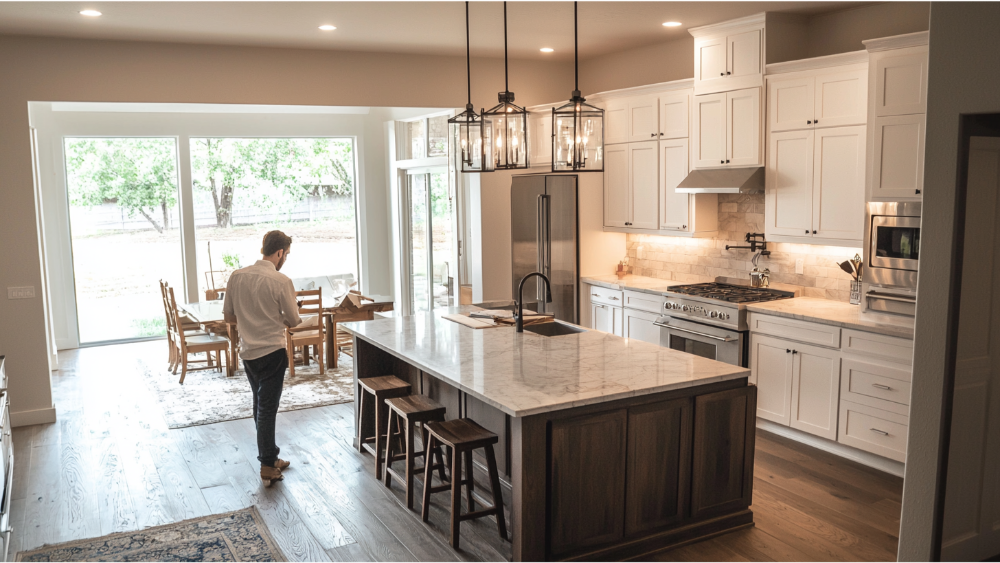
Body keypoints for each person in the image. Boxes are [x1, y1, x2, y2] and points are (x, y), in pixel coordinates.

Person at [223, 230, 302, 485]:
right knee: (268, 409)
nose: (285, 259)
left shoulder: (237, 276)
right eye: (286, 254)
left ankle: (269, 455)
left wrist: (251, 321)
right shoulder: (281, 281)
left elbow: (229, 317)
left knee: (260, 405)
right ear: (279, 252)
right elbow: (293, 320)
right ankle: (267, 466)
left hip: (248, 353)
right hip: (273, 352)